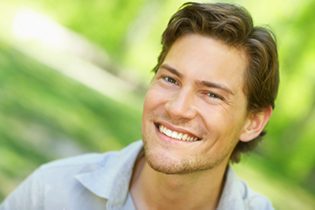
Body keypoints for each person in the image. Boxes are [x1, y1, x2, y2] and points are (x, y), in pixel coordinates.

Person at [0, 2, 279, 210]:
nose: (177, 108)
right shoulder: (50, 193)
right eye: (170, 79)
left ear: (252, 122)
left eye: (212, 95)